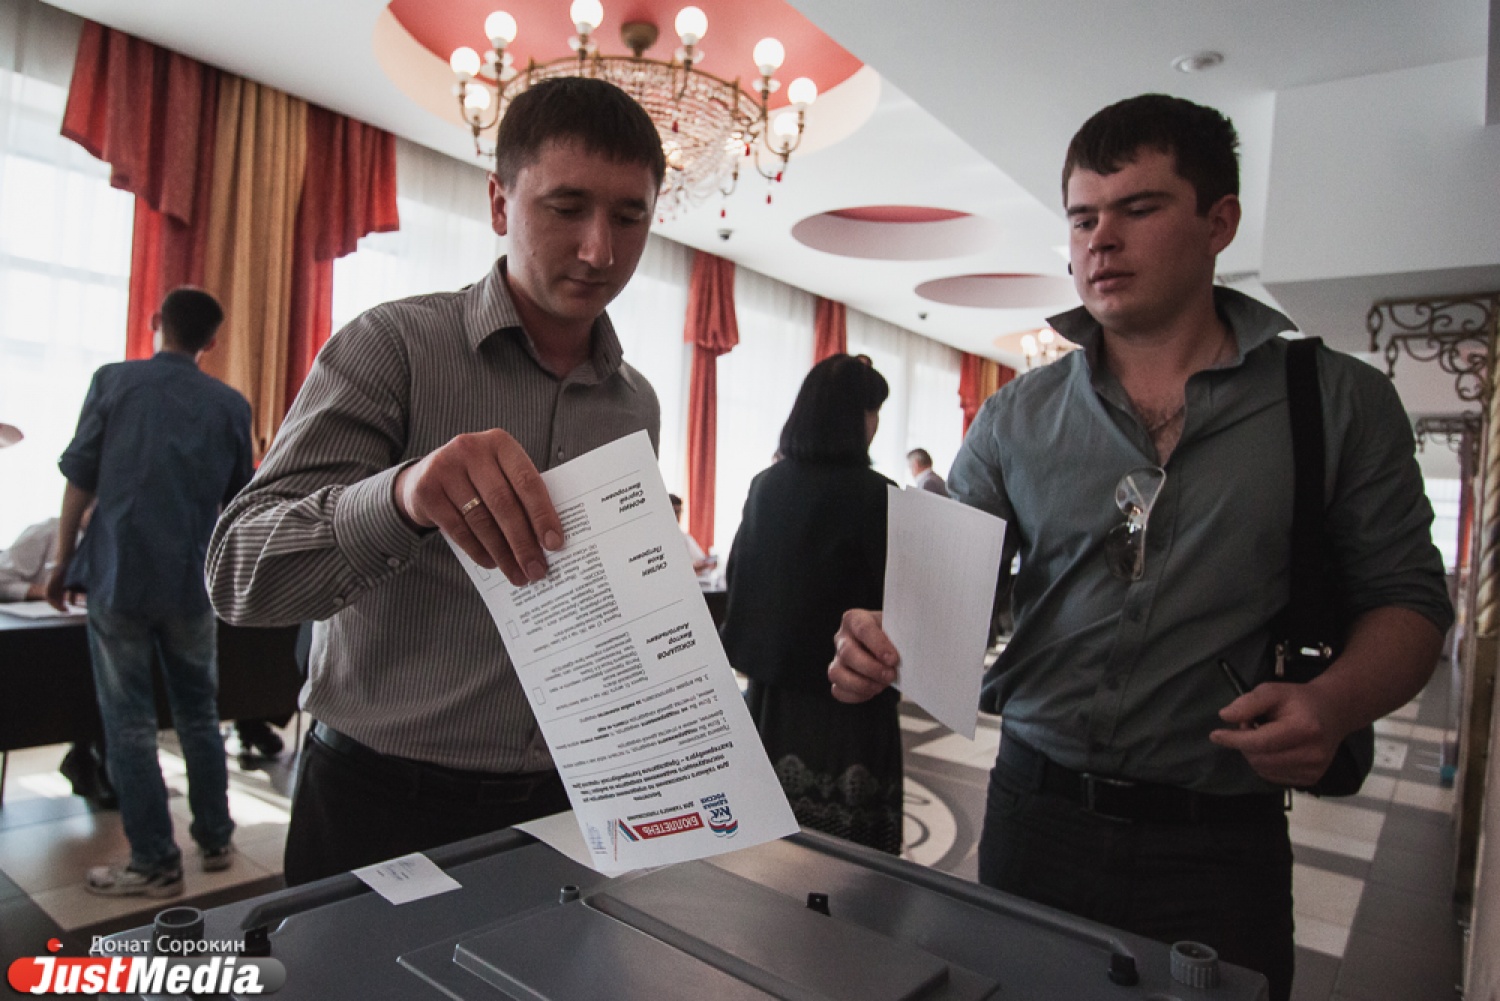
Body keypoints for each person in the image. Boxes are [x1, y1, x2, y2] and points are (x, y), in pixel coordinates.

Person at [827, 94, 1451, 999]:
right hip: (1033, 813)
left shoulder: (1336, 402)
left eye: (1139, 208)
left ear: (1218, 221)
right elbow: (947, 598)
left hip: (1219, 839)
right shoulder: (1015, 415)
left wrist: (1334, 701)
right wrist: (881, 637)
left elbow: (1410, 601)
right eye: (1082, 218)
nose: (1101, 241)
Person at [207, 78, 666, 885]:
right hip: (380, 802)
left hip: (569, 802)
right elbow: (239, 574)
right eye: (566, 207)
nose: (600, 250)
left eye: (630, 217)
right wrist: (403, 495)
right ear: (499, 203)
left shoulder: (637, 405)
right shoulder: (393, 347)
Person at [49, 286, 252, 897]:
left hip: (120, 574)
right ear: (212, 341)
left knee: (130, 723)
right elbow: (239, 503)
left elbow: (80, 478)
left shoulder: (113, 382)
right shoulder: (231, 405)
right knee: (199, 714)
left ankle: (155, 862)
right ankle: (216, 839)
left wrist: (61, 561)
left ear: (156, 321)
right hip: (192, 579)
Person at [720, 354, 901, 853]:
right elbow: (900, 607)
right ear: (856, 417)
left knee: (766, 848)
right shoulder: (879, 495)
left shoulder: (765, 485)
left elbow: (740, 578)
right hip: (850, 702)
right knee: (849, 862)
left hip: (771, 697)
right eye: (873, 411)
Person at [669, 493, 716, 577]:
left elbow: (701, 559)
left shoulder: (685, 538)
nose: (677, 516)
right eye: (674, 512)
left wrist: (706, 564)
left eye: (679, 512)